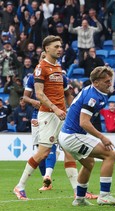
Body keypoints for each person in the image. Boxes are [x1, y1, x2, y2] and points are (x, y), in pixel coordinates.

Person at [13, 36, 83, 200]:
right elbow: (39, 94)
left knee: (68, 151)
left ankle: (78, 192)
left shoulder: (58, 68)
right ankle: (20, 186)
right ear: (46, 49)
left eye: (61, 46)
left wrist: (71, 110)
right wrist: (54, 108)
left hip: (61, 114)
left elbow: (67, 94)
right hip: (49, 115)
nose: (60, 49)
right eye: (56, 46)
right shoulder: (40, 68)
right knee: (43, 152)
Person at [59, 66, 115, 206]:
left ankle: (79, 199)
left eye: (110, 80)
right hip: (72, 135)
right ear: (96, 82)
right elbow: (84, 123)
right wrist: (102, 137)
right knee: (110, 155)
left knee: (89, 163)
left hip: (67, 135)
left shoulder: (95, 91)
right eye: (106, 81)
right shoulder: (92, 97)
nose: (109, 83)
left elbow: (113, 90)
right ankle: (105, 196)